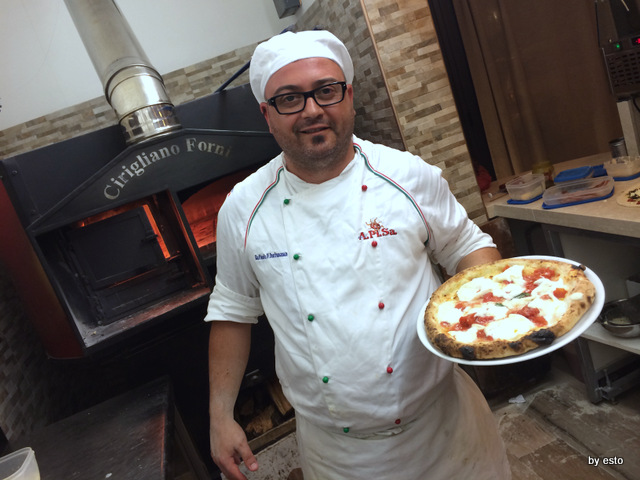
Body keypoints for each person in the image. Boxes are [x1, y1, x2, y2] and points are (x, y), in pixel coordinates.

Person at [206, 29, 511, 480]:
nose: (312, 110)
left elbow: (469, 247)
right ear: (267, 115)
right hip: (338, 456)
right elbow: (233, 310)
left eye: (326, 91)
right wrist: (220, 415)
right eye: (289, 99)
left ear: (349, 97)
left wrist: (491, 312)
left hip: (446, 431)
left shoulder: (407, 175)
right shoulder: (243, 208)